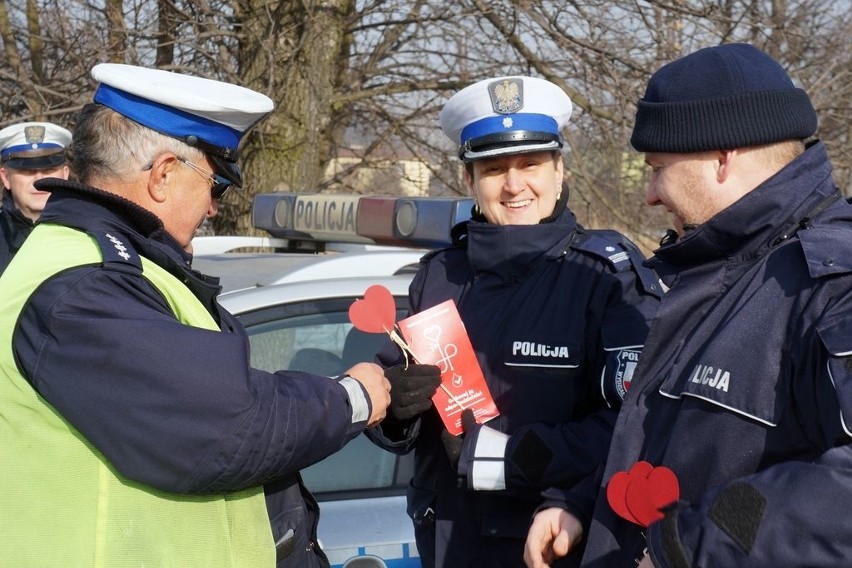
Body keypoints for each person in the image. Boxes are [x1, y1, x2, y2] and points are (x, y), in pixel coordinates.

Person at [0, 63, 390, 568]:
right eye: (215, 186)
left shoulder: (104, 266)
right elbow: (230, 427)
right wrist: (352, 398)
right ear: (163, 175)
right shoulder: (88, 284)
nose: (213, 209)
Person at [525, 43, 852, 568]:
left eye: (657, 168)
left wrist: (700, 543)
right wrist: (585, 502)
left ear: (722, 158)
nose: (651, 194)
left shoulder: (830, 284)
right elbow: (677, 440)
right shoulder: (722, 270)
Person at [366, 75, 662, 567]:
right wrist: (396, 411)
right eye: (494, 168)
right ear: (469, 181)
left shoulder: (605, 277)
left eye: (530, 164)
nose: (513, 184)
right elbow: (394, 401)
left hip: (552, 547)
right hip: (448, 547)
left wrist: (505, 457)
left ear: (559, 169)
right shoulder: (439, 276)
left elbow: (634, 427)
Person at [0, 120, 72, 273]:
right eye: (27, 172)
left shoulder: (90, 231)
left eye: (48, 170)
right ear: (5, 178)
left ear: (65, 174)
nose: (39, 180)